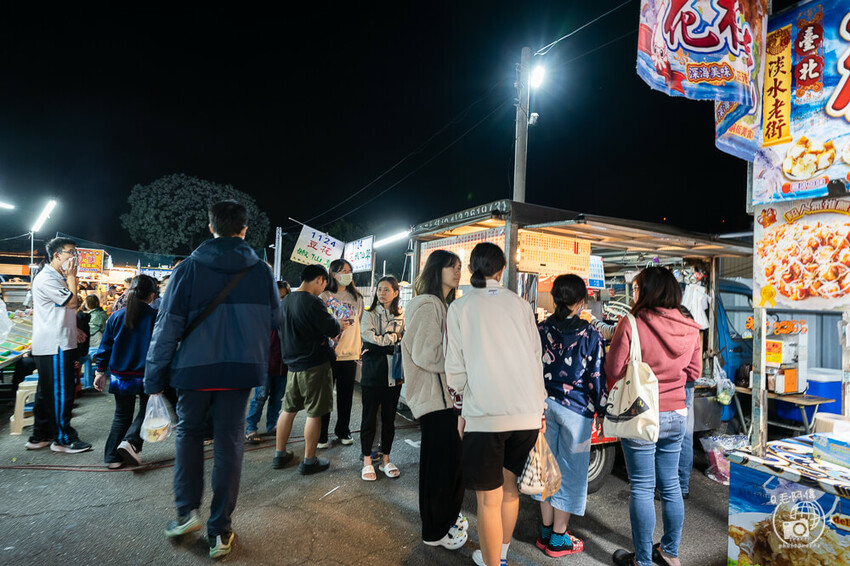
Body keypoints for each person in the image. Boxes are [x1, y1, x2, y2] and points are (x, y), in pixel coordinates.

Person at [145, 200, 280, 560]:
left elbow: (167, 326)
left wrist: (154, 375)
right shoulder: (262, 271)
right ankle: (220, 530)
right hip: (239, 373)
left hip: (194, 370)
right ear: (244, 229)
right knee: (229, 444)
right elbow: (274, 321)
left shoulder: (187, 269)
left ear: (211, 227)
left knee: (188, 435)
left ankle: (186, 512)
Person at [444, 242, 546, 566]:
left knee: (489, 499)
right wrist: (539, 409)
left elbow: (455, 370)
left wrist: (461, 409)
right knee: (511, 489)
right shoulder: (521, 305)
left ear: (472, 268)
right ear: (502, 270)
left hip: (486, 416)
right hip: (527, 413)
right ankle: (500, 557)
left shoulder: (461, 308)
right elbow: (536, 360)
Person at [606, 267, 701, 566]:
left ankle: (643, 560)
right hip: (676, 414)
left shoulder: (632, 324)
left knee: (644, 487)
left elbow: (613, 370)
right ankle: (670, 553)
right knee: (670, 483)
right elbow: (694, 373)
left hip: (641, 414)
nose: (634, 294)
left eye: (636, 288)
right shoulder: (691, 326)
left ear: (647, 291)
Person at [534, 274, 607, 558]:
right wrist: (601, 409)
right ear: (581, 302)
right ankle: (559, 538)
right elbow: (596, 377)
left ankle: (545, 531)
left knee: (546, 470)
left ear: (554, 299)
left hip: (542, 407)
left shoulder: (541, 329)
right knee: (571, 473)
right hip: (576, 411)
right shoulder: (590, 334)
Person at [401, 250, 468, 551]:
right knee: (439, 468)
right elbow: (425, 353)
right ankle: (435, 529)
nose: (457, 271)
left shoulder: (443, 304)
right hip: (435, 399)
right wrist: (462, 360)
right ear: (435, 269)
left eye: (460, 267)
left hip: (444, 400)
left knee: (444, 465)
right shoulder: (428, 304)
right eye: (451, 266)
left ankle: (444, 520)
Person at [273, 264, 344, 475]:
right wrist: (338, 322)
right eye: (324, 284)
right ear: (320, 280)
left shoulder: (285, 302)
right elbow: (332, 329)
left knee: (288, 409)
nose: (323, 288)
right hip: (314, 365)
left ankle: (280, 454)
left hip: (292, 365)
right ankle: (309, 460)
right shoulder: (313, 302)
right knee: (315, 413)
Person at [25, 237, 93, 454]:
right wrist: (73, 277)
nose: (76, 258)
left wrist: (75, 329)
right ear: (57, 255)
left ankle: (40, 435)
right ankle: (63, 439)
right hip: (55, 345)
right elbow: (72, 303)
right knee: (62, 391)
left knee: (46, 392)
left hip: (54, 341)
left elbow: (58, 311)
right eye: (71, 253)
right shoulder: (48, 279)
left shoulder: (54, 277)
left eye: (76, 254)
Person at [93, 275, 159, 468]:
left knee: (122, 416)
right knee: (147, 412)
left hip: (120, 377)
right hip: (146, 375)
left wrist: (100, 372)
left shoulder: (116, 316)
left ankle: (112, 457)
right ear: (151, 295)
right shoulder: (155, 317)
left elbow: (105, 347)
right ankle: (130, 442)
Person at [359, 276, 405, 481]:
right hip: (372, 374)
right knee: (368, 418)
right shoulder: (369, 314)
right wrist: (391, 341)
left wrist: (381, 344)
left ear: (396, 292)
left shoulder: (402, 315)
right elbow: (367, 337)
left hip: (393, 375)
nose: (382, 293)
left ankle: (386, 458)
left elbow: (402, 339)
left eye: (386, 290)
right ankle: (367, 459)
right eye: (379, 289)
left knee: (389, 420)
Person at [318, 258, 363, 448]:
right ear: (334, 274)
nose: (347, 273)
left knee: (346, 395)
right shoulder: (325, 296)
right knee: (326, 395)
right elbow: (321, 324)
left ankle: (342, 430)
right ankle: (321, 434)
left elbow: (357, 323)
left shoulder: (357, 298)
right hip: (330, 353)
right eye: (343, 270)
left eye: (349, 270)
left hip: (350, 354)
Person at [245, 280, 291, 442]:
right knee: (260, 396)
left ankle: (272, 425)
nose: (279, 301)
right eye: (276, 297)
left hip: (283, 365)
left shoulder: (289, 316)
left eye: (283, 297)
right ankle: (251, 427)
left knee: (277, 398)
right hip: (264, 363)